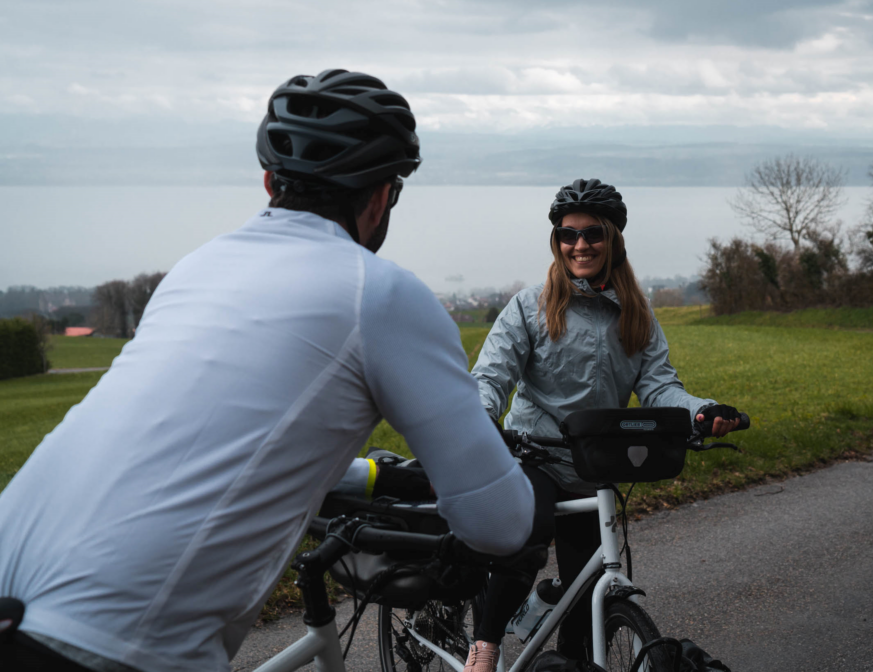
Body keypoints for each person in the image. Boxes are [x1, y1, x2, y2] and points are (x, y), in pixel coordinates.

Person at [0, 69, 534, 672]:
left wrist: (374, 480)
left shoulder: (197, 268)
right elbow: (501, 523)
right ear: (383, 195)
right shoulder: (380, 294)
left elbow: (208, 442)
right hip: (108, 641)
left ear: (268, 181)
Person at [463, 178, 741, 672]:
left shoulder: (635, 312)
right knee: (527, 538)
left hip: (595, 464)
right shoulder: (530, 306)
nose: (580, 245)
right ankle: (484, 646)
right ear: (557, 243)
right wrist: (479, 420)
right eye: (568, 236)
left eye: (592, 234)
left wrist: (700, 411)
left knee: (586, 597)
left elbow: (659, 387)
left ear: (612, 239)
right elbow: (491, 377)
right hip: (534, 455)